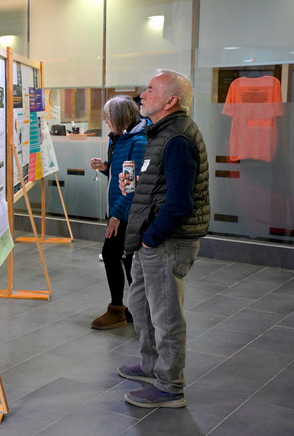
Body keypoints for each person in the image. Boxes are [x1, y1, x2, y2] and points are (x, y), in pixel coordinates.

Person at [117, 70, 210, 408]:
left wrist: (151, 238)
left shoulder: (177, 139)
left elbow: (180, 202)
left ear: (170, 100)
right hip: (151, 240)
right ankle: (151, 366)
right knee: (139, 305)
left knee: (166, 316)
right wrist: (137, 189)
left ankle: (170, 386)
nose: (142, 94)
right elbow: (161, 186)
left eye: (151, 90)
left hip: (166, 242)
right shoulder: (161, 132)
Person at [90, 95, 147, 330]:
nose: (106, 121)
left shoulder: (139, 141)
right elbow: (121, 174)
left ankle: (120, 309)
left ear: (121, 117)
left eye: (108, 116)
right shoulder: (120, 138)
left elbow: (134, 185)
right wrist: (106, 168)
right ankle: (134, 310)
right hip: (120, 209)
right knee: (125, 258)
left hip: (127, 212)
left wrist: (116, 215)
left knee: (115, 255)